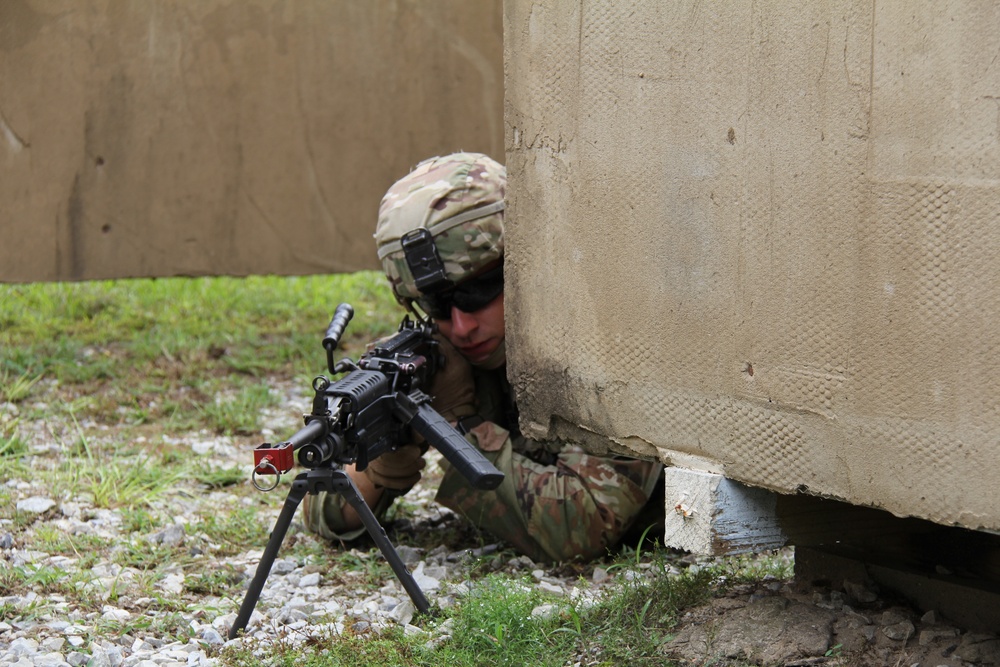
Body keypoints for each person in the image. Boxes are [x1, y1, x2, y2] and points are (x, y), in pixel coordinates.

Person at [303, 152, 663, 562]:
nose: (461, 326)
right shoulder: (443, 355)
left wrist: (454, 424)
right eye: (436, 305)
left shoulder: (607, 342)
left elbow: (581, 525)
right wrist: (386, 456)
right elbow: (323, 511)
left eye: (478, 292)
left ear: (525, 265)